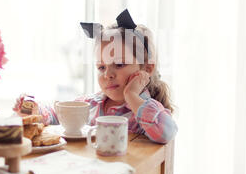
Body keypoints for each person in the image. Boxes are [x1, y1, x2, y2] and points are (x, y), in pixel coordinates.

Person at [13, 9, 177, 144]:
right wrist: (36, 110)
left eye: (119, 65)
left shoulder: (145, 112)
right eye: (101, 67)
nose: (108, 74)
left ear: (147, 69)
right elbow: (58, 114)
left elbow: (167, 133)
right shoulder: (89, 105)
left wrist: (131, 95)